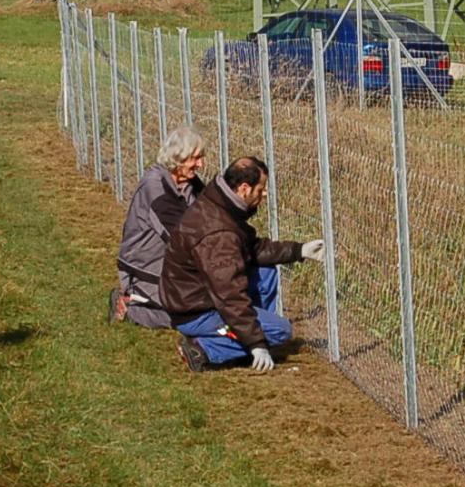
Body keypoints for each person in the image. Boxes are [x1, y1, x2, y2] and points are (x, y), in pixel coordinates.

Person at [160, 156, 324, 372]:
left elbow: (252, 250)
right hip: (195, 310)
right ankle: (204, 349)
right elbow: (229, 295)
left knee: (266, 271)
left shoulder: (218, 202)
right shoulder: (219, 235)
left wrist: (299, 250)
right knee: (280, 331)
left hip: (192, 294)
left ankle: (246, 335)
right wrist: (256, 342)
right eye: (261, 188)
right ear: (244, 188)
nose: (264, 194)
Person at [111, 125, 208, 328]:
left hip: (173, 263)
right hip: (145, 269)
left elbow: (213, 213)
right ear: (178, 158)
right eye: (196, 158)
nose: (201, 164)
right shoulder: (156, 189)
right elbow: (182, 237)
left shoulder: (189, 182)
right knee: (193, 317)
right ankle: (131, 308)